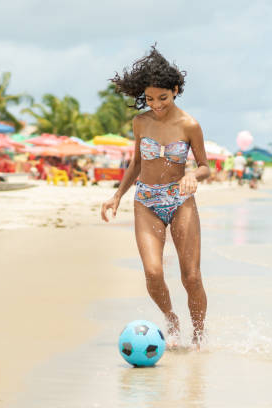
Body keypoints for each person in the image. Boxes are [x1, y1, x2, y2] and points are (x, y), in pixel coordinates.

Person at [100, 46, 210, 347]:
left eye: (163, 97)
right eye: (149, 99)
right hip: (146, 200)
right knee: (152, 272)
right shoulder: (140, 123)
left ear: (175, 90)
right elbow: (136, 163)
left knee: (191, 277)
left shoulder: (189, 125)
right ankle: (171, 318)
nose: (156, 104)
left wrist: (191, 175)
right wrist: (118, 195)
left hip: (180, 201)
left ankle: (199, 337)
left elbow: (205, 167)